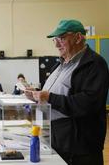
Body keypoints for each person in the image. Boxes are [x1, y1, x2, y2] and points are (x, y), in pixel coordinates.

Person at [25, 19, 109, 165]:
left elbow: (88, 103)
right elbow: (55, 95)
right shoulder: (59, 65)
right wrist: (37, 95)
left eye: (62, 38)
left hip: (80, 147)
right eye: (55, 40)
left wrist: (49, 97)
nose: (57, 44)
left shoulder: (94, 64)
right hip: (58, 138)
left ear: (78, 38)